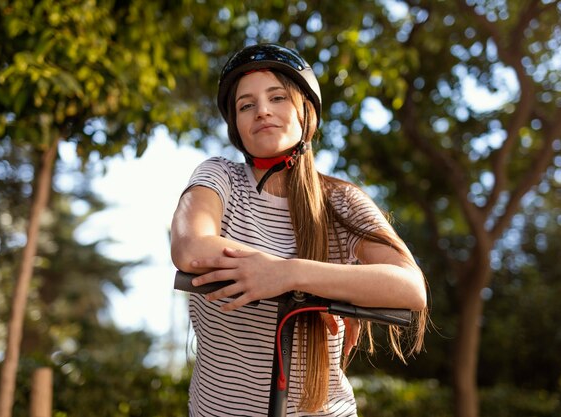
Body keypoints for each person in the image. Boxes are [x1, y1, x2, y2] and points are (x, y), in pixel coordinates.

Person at [170, 43, 428, 416]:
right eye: (246, 105)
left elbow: (410, 287)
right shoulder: (221, 177)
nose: (262, 111)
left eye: (277, 97)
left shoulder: (340, 199)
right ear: (236, 126)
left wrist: (290, 275)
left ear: (305, 113)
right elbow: (191, 248)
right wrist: (328, 284)